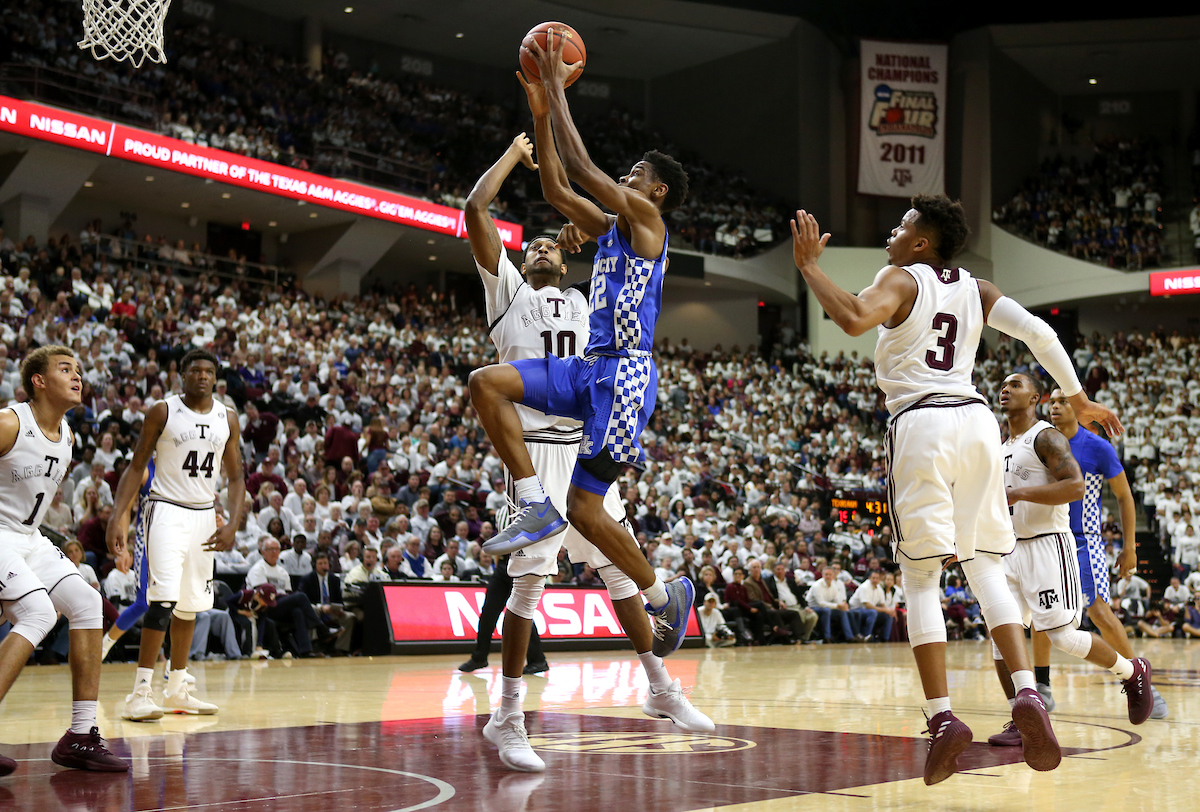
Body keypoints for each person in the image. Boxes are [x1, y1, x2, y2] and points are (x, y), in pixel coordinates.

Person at [791, 196, 1120, 784]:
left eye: (902, 225)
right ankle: (1027, 694)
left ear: (922, 243)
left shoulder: (900, 277)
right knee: (987, 564)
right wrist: (1077, 399)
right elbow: (1040, 334)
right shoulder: (977, 288)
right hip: (975, 424)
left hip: (921, 422)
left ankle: (943, 718)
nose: (893, 232)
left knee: (920, 576)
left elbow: (852, 319)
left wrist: (812, 267)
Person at [462, 128, 710, 774]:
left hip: (590, 417)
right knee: (528, 586)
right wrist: (537, 124)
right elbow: (529, 196)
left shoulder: (581, 296)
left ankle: (661, 684)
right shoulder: (512, 294)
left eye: (551, 243)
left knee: (616, 569)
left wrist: (587, 221)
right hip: (541, 445)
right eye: (536, 243)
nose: (544, 245)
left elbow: (585, 198)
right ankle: (508, 714)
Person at [469, 38, 694, 666]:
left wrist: (561, 89)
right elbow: (558, 189)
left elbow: (587, 172)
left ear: (659, 193)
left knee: (590, 512)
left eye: (638, 177)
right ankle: (534, 504)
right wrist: (540, 111)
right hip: (588, 365)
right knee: (487, 382)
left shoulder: (648, 225)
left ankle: (662, 593)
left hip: (624, 373)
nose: (628, 180)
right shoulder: (612, 229)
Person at [985, 373, 1153, 749]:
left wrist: (1018, 494)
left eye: (1016, 384)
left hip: (1049, 545)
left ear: (1035, 398)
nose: (1006, 388)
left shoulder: (1046, 436)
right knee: (1001, 635)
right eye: (1004, 384)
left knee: (1062, 635)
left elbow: (1075, 487)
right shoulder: (1000, 448)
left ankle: (1131, 671)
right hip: (1009, 549)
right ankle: (1022, 716)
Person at [0, 345, 126, 771]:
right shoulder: (9, 422)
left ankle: (81, 735)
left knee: (88, 603)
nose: (77, 376)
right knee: (37, 612)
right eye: (65, 369)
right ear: (38, 380)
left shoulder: (68, 436)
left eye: (79, 370)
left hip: (29, 539)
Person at [108, 349, 246, 720]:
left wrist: (232, 522)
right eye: (195, 370)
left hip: (204, 515)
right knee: (163, 599)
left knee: (191, 606)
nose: (203, 376)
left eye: (209, 371)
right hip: (165, 509)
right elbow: (137, 465)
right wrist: (117, 516)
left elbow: (236, 477)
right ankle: (139, 692)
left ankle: (177, 688)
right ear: (181, 375)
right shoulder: (163, 411)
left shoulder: (227, 417)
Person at [1032, 387, 1168, 719]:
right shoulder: (1040, 442)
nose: (1056, 406)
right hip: (1048, 537)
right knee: (1043, 610)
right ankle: (1043, 686)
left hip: (1084, 539)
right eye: (1053, 401)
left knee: (1099, 613)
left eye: (1064, 401)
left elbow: (1124, 497)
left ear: (1080, 407)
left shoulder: (1097, 448)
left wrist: (1129, 547)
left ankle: (1140, 682)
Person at [100, 461, 154, 661]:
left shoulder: (181, 467)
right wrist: (122, 550)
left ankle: (174, 668)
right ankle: (106, 643)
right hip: (147, 544)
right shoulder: (144, 468)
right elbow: (125, 507)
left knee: (178, 606)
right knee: (143, 603)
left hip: (174, 545)